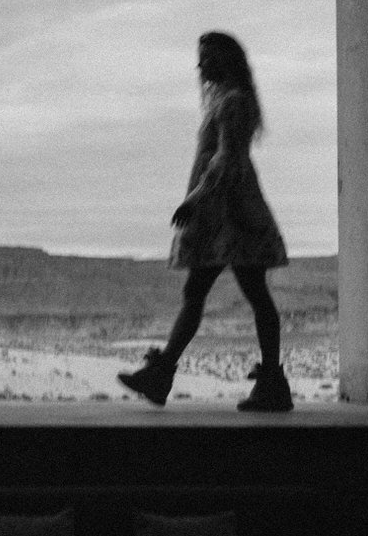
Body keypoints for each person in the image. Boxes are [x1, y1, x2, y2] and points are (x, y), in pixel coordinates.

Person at [118, 31, 293, 411]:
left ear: (227, 59)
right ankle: (169, 374)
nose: (201, 65)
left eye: (208, 57)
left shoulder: (232, 103)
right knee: (221, 293)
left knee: (242, 294)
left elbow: (226, 159)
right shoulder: (228, 101)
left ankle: (266, 383)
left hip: (229, 214)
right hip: (227, 212)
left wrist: (194, 200)